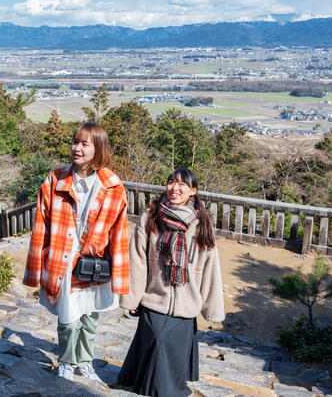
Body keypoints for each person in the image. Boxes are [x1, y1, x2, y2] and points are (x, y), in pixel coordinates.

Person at [23, 122, 130, 382]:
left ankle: (85, 361)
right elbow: (41, 229)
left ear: (99, 148)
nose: (77, 148)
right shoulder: (54, 179)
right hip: (63, 258)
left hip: (95, 263)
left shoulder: (113, 186)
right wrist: (34, 271)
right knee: (68, 316)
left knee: (90, 315)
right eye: (75, 142)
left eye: (85, 144)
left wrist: (120, 279)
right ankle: (67, 361)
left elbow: (119, 234)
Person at [118, 168, 225, 397]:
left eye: (181, 185)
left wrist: (211, 308)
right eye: (170, 183)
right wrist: (132, 297)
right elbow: (136, 259)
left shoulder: (202, 223)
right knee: (158, 339)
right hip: (154, 297)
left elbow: (210, 267)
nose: (174, 188)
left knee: (172, 350)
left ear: (193, 191)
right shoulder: (151, 217)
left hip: (187, 302)